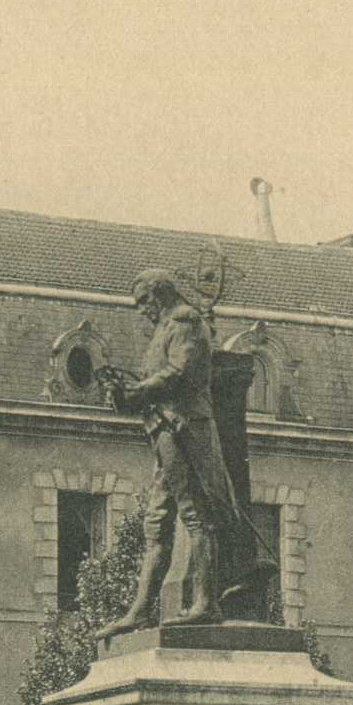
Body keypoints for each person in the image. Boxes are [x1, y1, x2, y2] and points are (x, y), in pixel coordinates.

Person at [94, 269, 274, 638]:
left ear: (158, 296)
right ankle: (142, 610)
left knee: (196, 514)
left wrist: (137, 391)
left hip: (185, 428)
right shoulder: (165, 328)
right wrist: (126, 396)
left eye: (143, 302)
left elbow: (179, 375)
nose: (141, 311)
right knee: (156, 522)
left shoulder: (185, 322)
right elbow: (157, 385)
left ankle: (206, 603)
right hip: (165, 430)